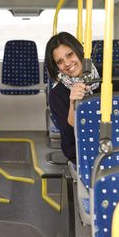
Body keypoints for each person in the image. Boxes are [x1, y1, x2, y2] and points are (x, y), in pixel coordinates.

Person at [45, 32, 100, 163]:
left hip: (115, 143)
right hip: (80, 150)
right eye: (60, 62)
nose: (67, 63)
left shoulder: (108, 75)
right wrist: (72, 103)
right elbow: (69, 137)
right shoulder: (57, 93)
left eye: (70, 55)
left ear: (78, 51)